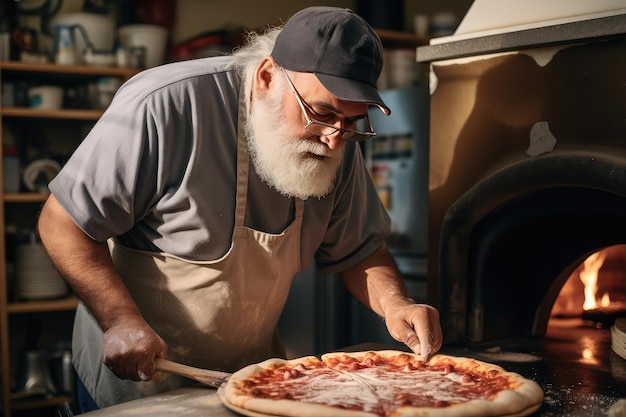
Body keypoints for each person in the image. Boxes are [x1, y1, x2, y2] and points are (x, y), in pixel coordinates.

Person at [37, 6, 443, 412]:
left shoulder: (336, 139)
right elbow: (62, 221)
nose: (335, 140)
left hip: (248, 376)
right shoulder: (167, 104)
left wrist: (398, 304)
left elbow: (361, 249)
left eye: (352, 121)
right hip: (140, 373)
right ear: (268, 77)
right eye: (322, 113)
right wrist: (119, 320)